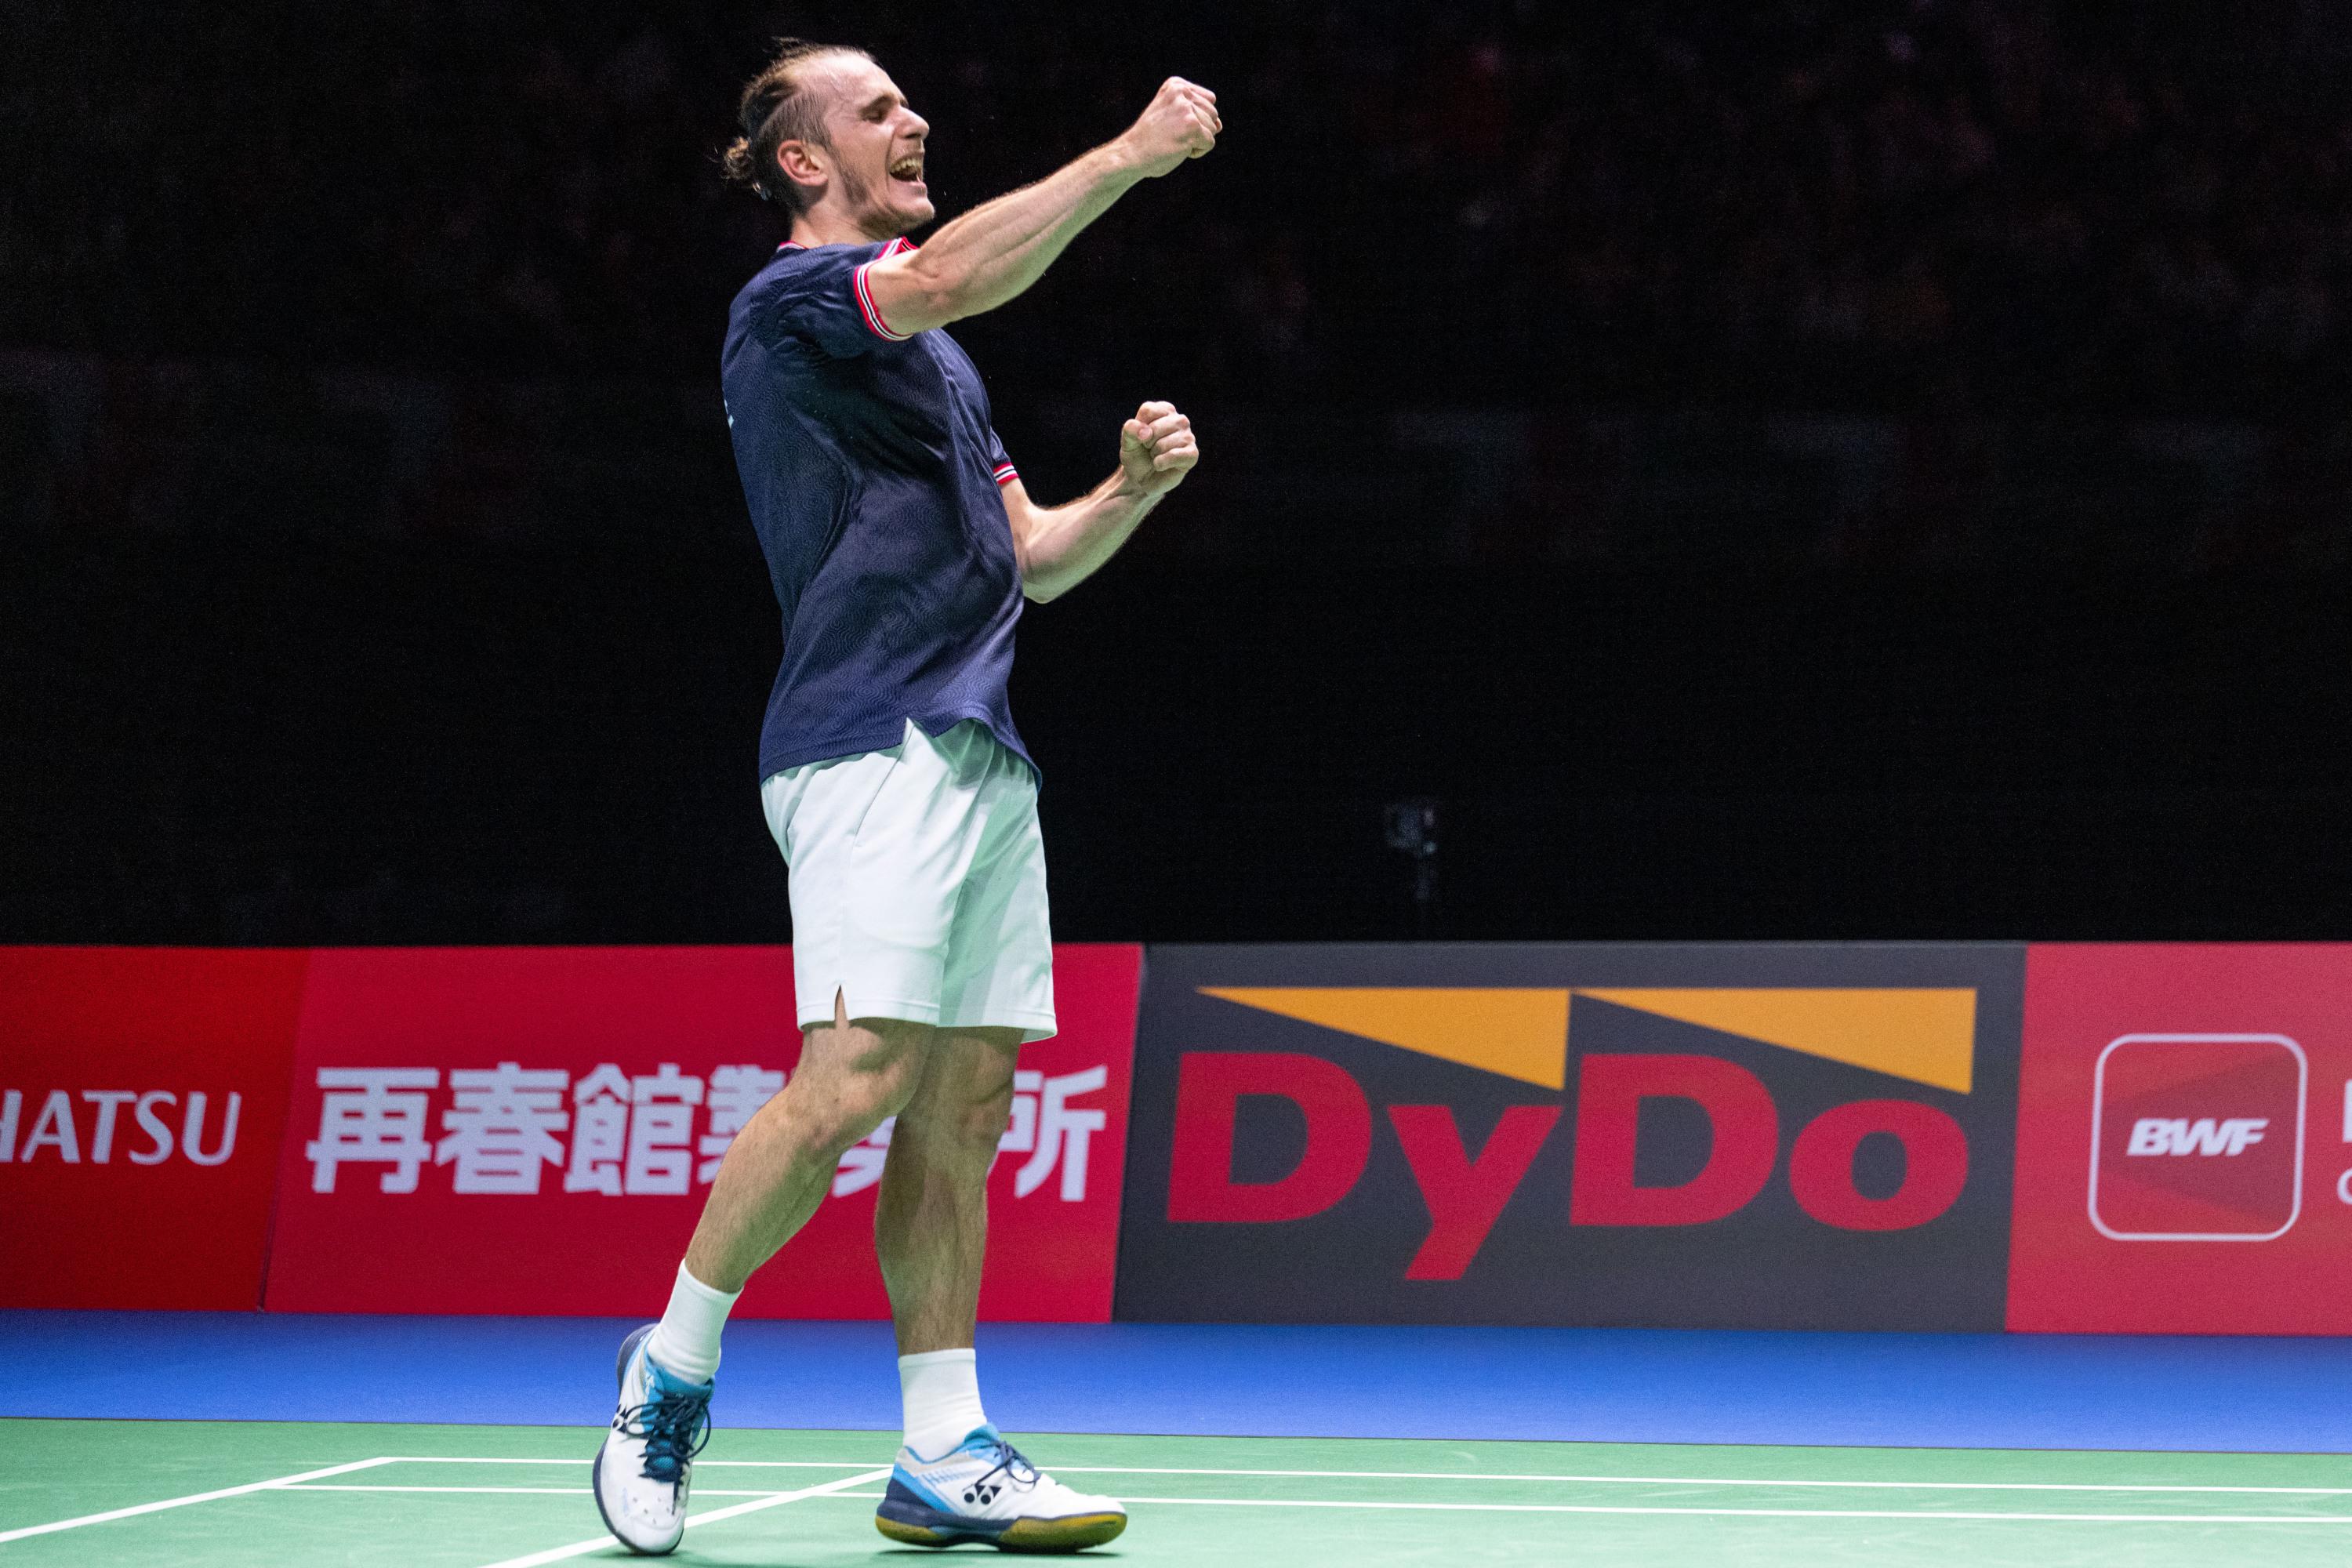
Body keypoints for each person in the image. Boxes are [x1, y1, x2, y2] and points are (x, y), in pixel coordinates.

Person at [590, 38, 1218, 1557]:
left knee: (966, 1102)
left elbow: (1032, 559)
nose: (912, 115)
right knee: (856, 1075)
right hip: (863, 735)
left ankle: (943, 1444)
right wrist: (1127, 157)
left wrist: (1124, 493)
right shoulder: (797, 301)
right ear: (806, 162)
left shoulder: (942, 368)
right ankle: (666, 1369)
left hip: (982, 746)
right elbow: (938, 278)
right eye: (875, 108)